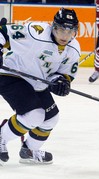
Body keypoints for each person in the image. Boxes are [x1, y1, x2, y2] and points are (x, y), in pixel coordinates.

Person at [0, 7, 80, 165]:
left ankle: (29, 150)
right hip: (11, 74)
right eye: (60, 30)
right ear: (53, 27)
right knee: (34, 115)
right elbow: (3, 31)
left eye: (69, 32)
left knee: (51, 118)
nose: (64, 36)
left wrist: (60, 82)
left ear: (75, 32)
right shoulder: (35, 32)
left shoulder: (73, 49)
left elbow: (64, 74)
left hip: (37, 81)